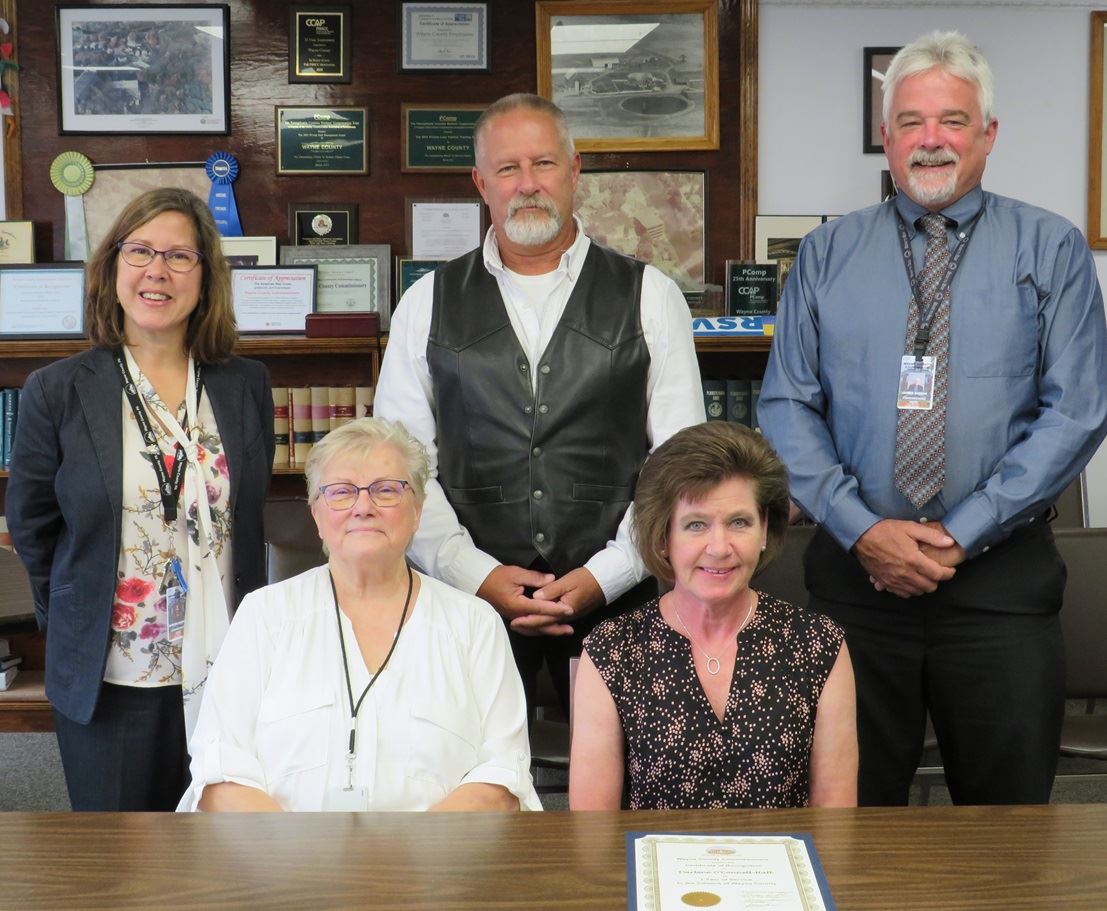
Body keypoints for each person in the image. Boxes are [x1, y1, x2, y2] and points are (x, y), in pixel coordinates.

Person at [758, 31, 1107, 806]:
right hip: (854, 587)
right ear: (884, 138)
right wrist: (863, 529)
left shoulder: (1049, 247)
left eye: (952, 119)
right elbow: (785, 406)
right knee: (850, 825)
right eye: (910, 122)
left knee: (1006, 834)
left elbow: (1076, 411)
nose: (930, 140)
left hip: (999, 591)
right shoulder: (823, 254)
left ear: (988, 134)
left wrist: (959, 532)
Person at [374, 93, 705, 718]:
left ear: (575, 171)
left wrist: (608, 574)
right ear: (480, 182)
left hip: (623, 601)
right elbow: (400, 469)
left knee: (621, 795)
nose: (528, 185)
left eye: (544, 164)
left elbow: (681, 463)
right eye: (508, 169)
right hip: (467, 605)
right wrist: (476, 574)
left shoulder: (651, 296)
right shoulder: (426, 303)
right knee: (477, 796)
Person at [5, 187, 275, 811]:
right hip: (111, 675)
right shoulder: (57, 390)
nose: (158, 270)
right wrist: (74, 613)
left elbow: (250, 514)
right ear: (113, 268)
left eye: (180, 256)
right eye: (142, 251)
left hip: (228, 669)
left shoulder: (245, 384)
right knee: (120, 868)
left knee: (227, 856)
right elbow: (32, 522)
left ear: (205, 278)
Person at [178, 417, 541, 812]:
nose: (363, 507)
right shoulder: (263, 617)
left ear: (417, 511)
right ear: (316, 515)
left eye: (386, 490)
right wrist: (306, 865)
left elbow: (502, 777)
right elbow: (220, 776)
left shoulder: (474, 625)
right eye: (341, 492)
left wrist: (404, 866)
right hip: (283, 868)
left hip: (439, 867)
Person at [569, 421, 857, 809]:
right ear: (663, 536)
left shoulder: (819, 644)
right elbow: (592, 832)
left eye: (739, 522)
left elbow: (835, 821)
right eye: (696, 525)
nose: (719, 547)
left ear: (764, 528)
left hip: (784, 868)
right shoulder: (613, 650)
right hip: (657, 868)